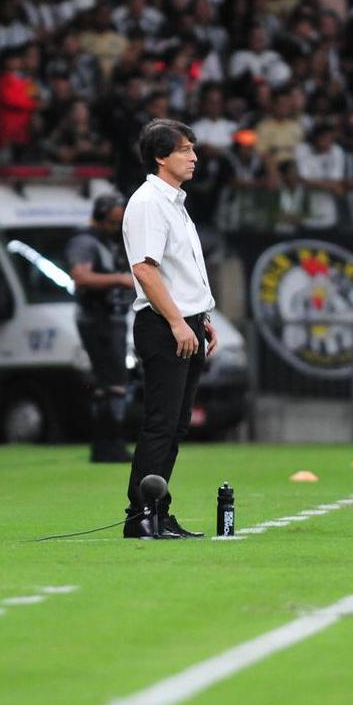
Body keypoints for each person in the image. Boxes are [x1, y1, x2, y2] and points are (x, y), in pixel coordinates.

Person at [120, 119, 217, 540]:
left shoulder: (174, 202)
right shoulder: (148, 202)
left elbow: (179, 271)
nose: (194, 157)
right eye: (185, 150)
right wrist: (178, 321)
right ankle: (140, 515)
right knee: (161, 423)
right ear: (161, 157)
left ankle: (157, 510)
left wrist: (200, 317)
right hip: (164, 325)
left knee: (175, 424)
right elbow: (145, 268)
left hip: (184, 322)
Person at [66, 193, 135, 463]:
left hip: (110, 317)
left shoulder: (106, 241)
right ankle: (110, 443)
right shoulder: (85, 242)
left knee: (110, 382)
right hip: (98, 318)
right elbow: (80, 275)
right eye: (114, 221)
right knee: (113, 382)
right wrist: (120, 279)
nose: (117, 226)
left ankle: (106, 444)